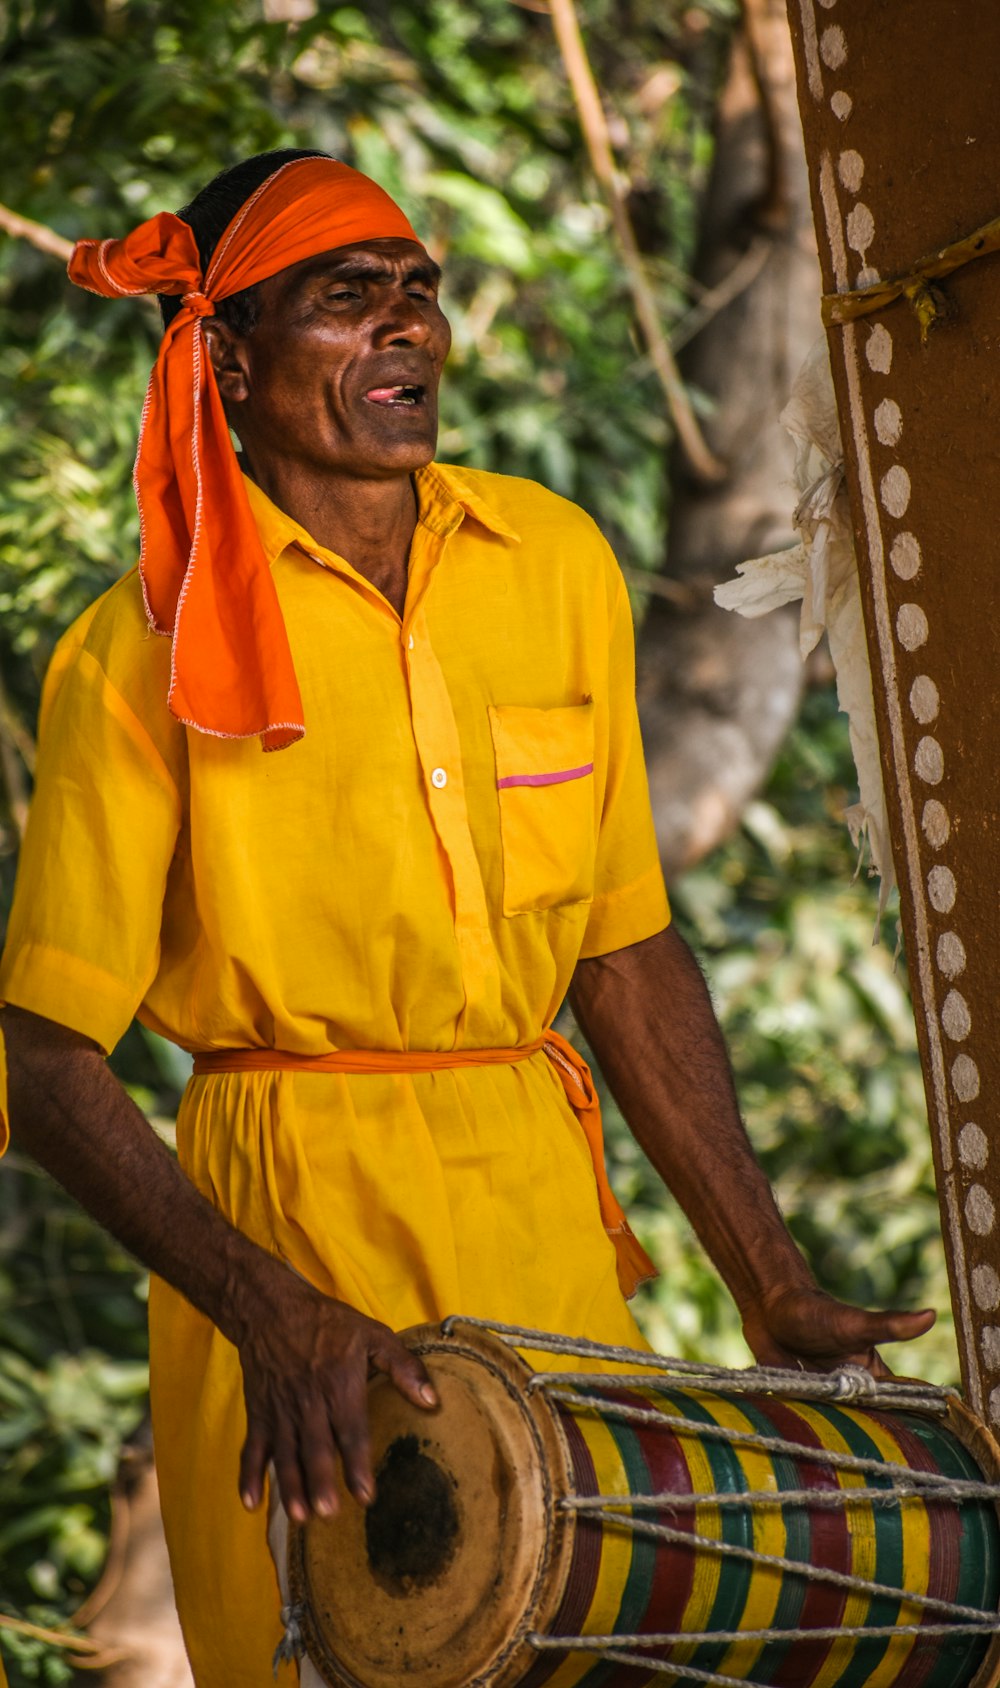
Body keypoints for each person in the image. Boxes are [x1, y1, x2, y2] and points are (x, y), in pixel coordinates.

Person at [0, 150, 934, 1685]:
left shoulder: (555, 563)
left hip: (548, 1242)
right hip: (295, 1239)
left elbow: (623, 952)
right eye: (347, 298)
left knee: (597, 1652)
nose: (408, 330)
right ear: (222, 357)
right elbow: (42, 1062)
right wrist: (267, 1309)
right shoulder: (137, 650)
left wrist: (766, 1277)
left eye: (420, 293)